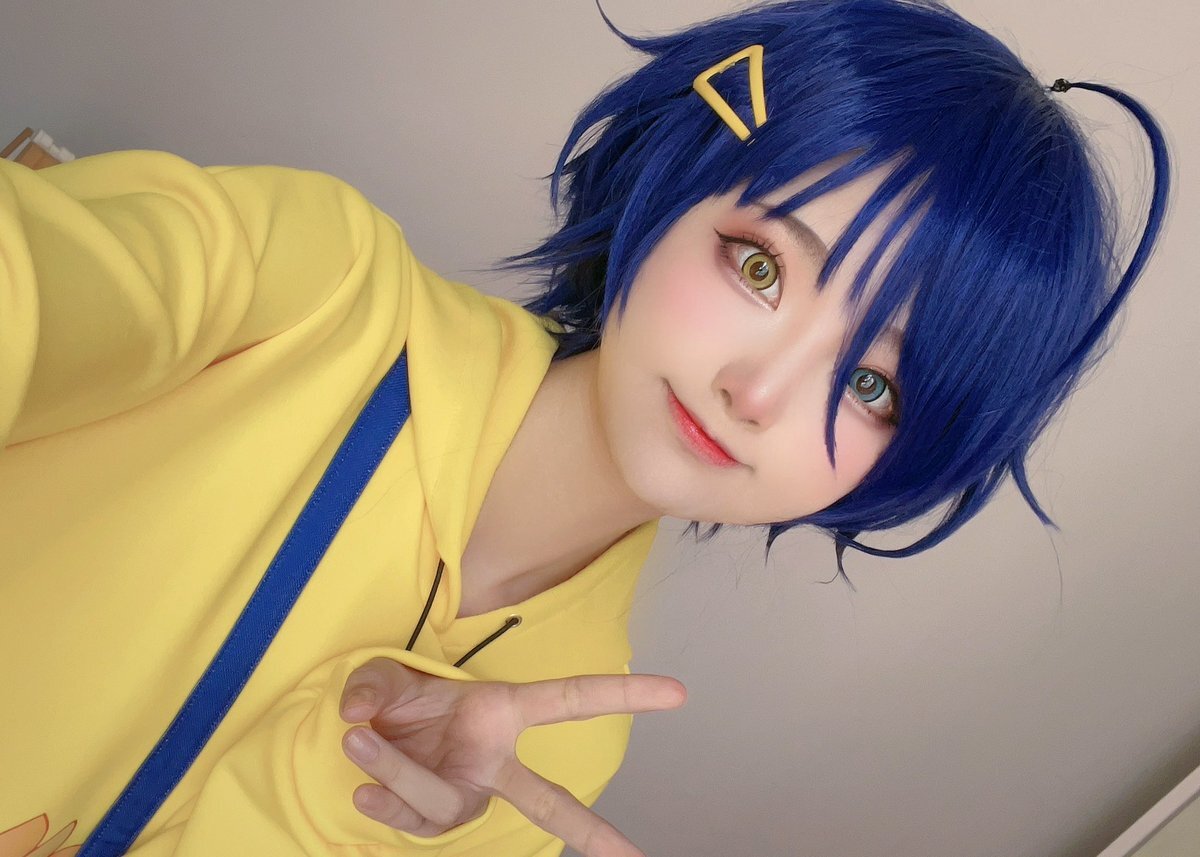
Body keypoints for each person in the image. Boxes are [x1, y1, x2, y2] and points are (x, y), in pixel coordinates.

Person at [0, 1, 1170, 855]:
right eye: (762, 265)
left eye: (871, 386)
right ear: (671, 187)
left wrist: (341, 802)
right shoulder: (311, 287)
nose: (759, 393)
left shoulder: (553, 744)